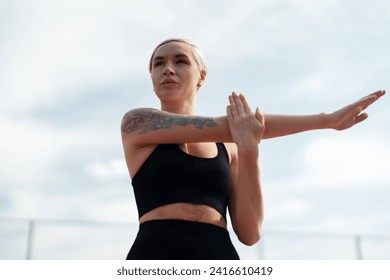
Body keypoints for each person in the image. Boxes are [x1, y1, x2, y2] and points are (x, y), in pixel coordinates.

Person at [121, 38, 385, 260]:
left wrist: (249, 150)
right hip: (154, 252)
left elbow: (250, 234)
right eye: (159, 64)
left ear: (201, 77)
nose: (167, 69)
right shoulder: (137, 124)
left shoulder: (230, 145)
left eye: (180, 61)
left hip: (219, 255)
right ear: (152, 78)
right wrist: (326, 120)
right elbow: (236, 125)